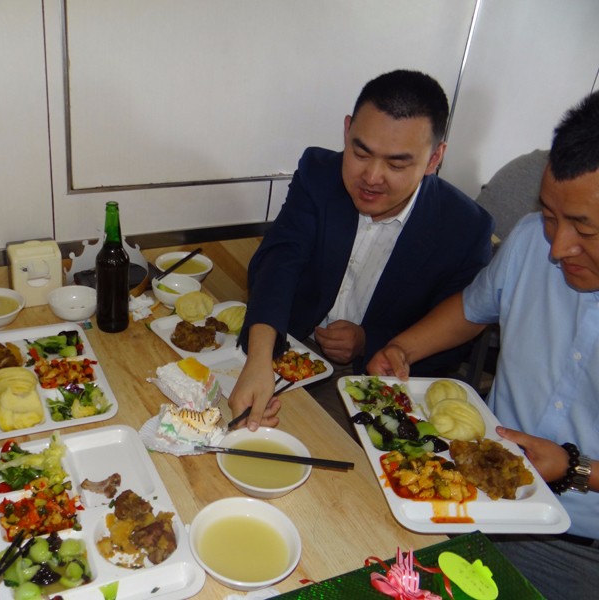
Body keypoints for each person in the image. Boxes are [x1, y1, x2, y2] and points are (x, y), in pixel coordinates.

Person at [367, 91, 599, 600]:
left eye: (584, 228)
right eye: (550, 215)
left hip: (580, 548)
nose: (559, 247)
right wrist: (404, 348)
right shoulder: (530, 240)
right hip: (467, 487)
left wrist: (578, 470)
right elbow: (472, 309)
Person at [229, 69, 494, 429]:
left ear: (435, 159)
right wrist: (260, 357)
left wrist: (372, 341)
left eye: (396, 163)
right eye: (361, 152)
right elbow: (280, 260)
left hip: (371, 382)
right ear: (347, 130)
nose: (371, 177)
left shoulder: (464, 227)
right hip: (287, 343)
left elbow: (453, 336)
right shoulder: (320, 173)